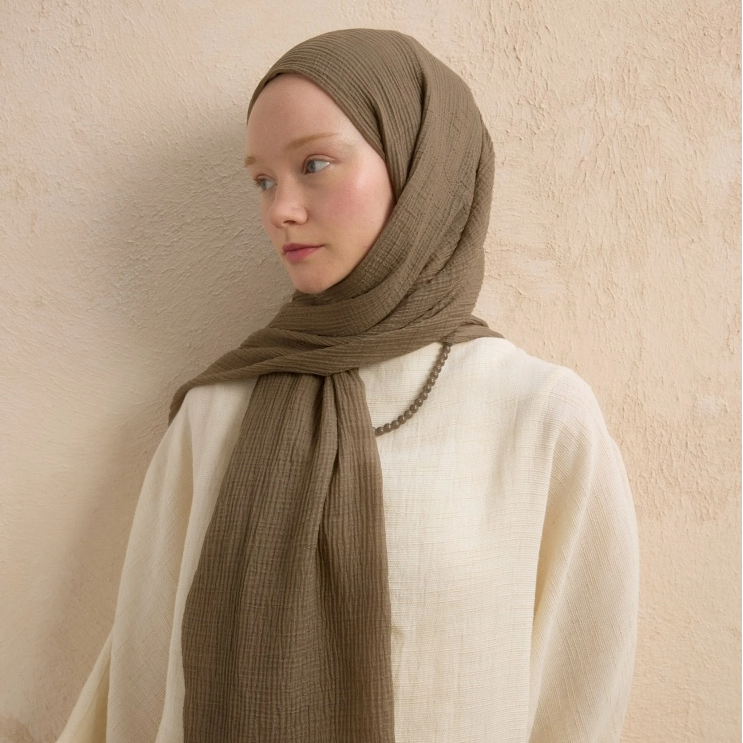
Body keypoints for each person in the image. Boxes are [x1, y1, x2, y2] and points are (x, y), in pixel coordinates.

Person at [56, 28, 639, 743]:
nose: (280, 208)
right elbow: (142, 680)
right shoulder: (215, 414)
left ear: (420, 169)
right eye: (263, 180)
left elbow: (581, 698)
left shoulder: (540, 416)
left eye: (315, 164)